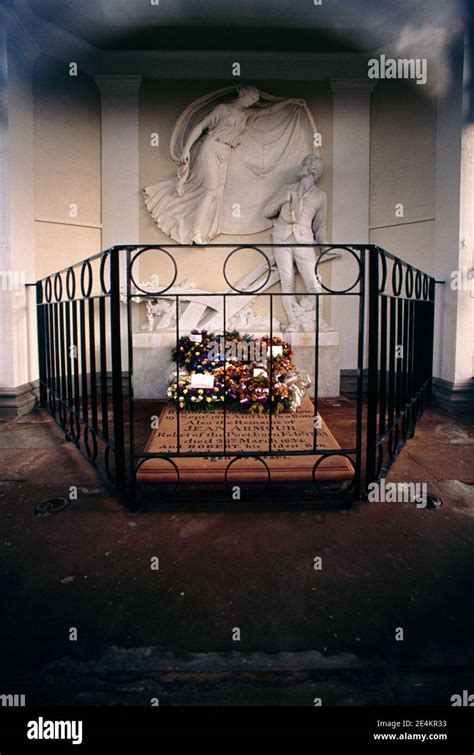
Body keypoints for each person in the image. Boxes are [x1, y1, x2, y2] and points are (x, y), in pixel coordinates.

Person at [143, 85, 306, 244]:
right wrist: (186, 149)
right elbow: (201, 126)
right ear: (242, 95)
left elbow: (268, 111)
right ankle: (195, 233)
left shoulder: (246, 115)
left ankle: (204, 229)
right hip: (212, 147)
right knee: (211, 190)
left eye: (254, 100)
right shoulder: (222, 109)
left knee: (217, 193)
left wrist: (291, 101)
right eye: (250, 98)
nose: (251, 102)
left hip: (226, 152)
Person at [264, 155, 328, 332]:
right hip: (282, 238)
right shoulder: (287, 188)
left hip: (304, 240)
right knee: (287, 282)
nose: (302, 166)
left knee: (313, 282)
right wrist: (283, 199)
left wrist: (326, 248)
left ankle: (319, 320)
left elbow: (320, 226)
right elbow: (267, 211)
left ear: (313, 169)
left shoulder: (320, 196)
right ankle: (292, 321)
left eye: (306, 164)